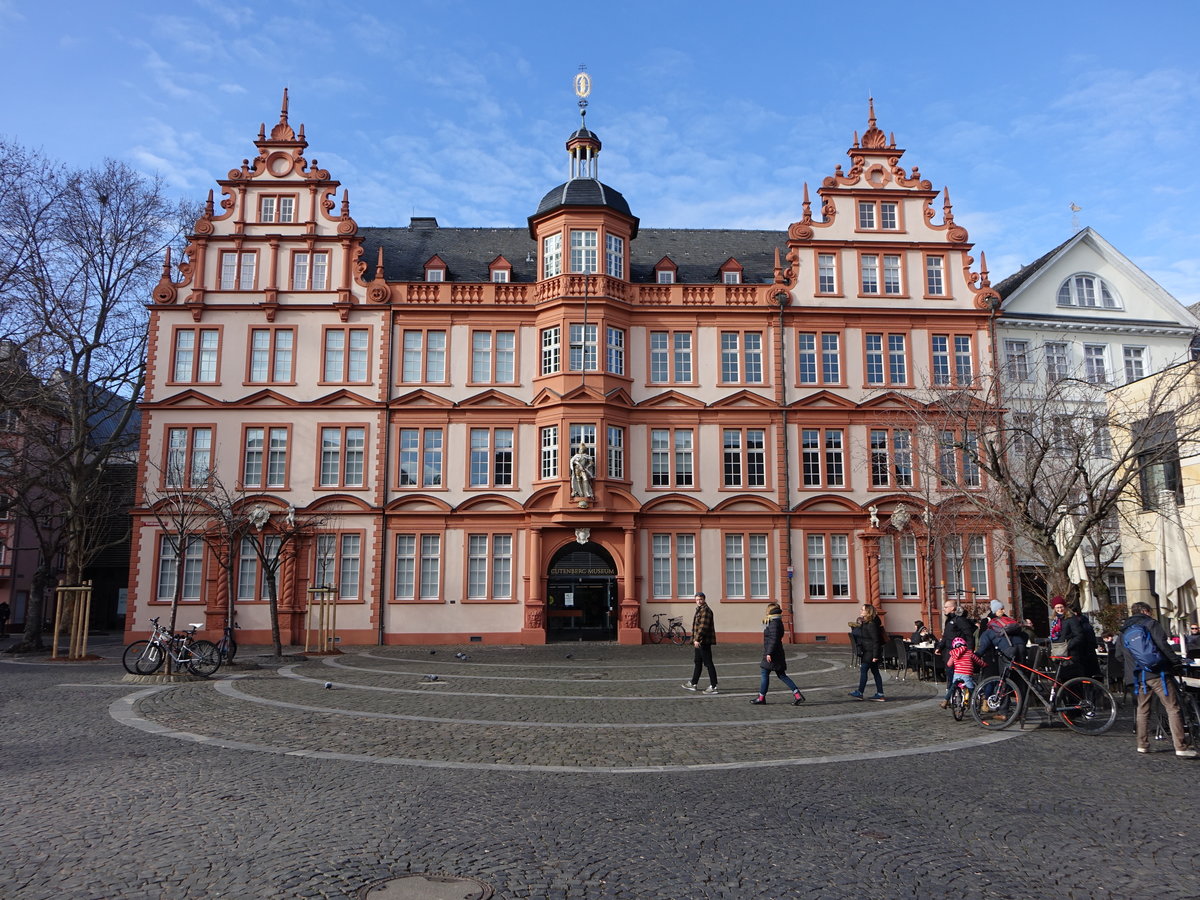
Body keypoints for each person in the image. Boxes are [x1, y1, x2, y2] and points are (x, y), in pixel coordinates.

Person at [1113, 601, 1197, 758]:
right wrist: (1175, 662)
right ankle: (1181, 746)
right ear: (1145, 611)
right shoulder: (1151, 624)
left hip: (1136, 677)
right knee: (1172, 707)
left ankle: (1142, 744)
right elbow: (1163, 646)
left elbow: (1118, 656)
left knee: (1143, 709)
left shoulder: (1123, 631)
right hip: (1157, 673)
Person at [751, 603, 806, 705]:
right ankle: (797, 695)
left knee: (764, 673)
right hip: (777, 652)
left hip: (772, 653)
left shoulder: (774, 623)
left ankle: (761, 698)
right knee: (782, 675)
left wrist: (769, 653)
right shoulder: (775, 621)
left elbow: (773, 639)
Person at [1050, 596, 1100, 679]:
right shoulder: (1055, 621)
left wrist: (1068, 646)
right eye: (1057, 608)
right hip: (1059, 653)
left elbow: (1079, 635)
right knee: (1061, 679)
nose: (1060, 610)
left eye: (1061, 607)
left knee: (1071, 679)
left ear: (1065, 607)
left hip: (1071, 654)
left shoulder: (1071, 619)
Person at [976, 599, 1028, 677]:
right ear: (996, 610)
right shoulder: (1009, 621)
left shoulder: (990, 623)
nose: (1003, 611)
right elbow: (1025, 635)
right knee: (1019, 674)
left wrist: (976, 655)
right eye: (1001, 609)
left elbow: (984, 641)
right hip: (1020, 647)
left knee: (1002, 677)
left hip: (1002, 652)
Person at [937, 599, 975, 702]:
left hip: (960, 654)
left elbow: (969, 635)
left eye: (946, 607)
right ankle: (951, 699)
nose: (944, 609)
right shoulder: (948, 620)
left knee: (957, 678)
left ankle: (967, 698)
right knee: (950, 676)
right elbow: (945, 636)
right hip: (949, 654)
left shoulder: (960, 620)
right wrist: (939, 647)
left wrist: (970, 650)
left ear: (952, 608)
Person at [682, 592, 718, 694]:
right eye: (697, 599)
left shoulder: (705, 611)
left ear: (704, 599)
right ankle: (693, 683)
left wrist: (697, 639)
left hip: (704, 642)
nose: (699, 601)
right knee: (698, 662)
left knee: (708, 663)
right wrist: (695, 640)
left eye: (700, 599)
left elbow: (703, 627)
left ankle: (714, 686)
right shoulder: (699, 610)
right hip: (698, 642)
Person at [849, 604, 886, 701]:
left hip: (870, 652)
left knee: (864, 670)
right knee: (875, 672)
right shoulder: (867, 623)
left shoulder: (871, 624)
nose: (861, 610)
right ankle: (880, 694)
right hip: (868, 651)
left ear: (868, 612)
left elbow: (876, 640)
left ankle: (860, 692)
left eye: (863, 609)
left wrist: (875, 655)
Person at [939, 637, 986, 709]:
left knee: (953, 687)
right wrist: (984, 665)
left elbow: (949, 664)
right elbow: (978, 661)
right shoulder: (969, 652)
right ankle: (978, 699)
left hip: (957, 674)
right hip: (967, 674)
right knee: (971, 688)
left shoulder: (953, 654)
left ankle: (945, 701)